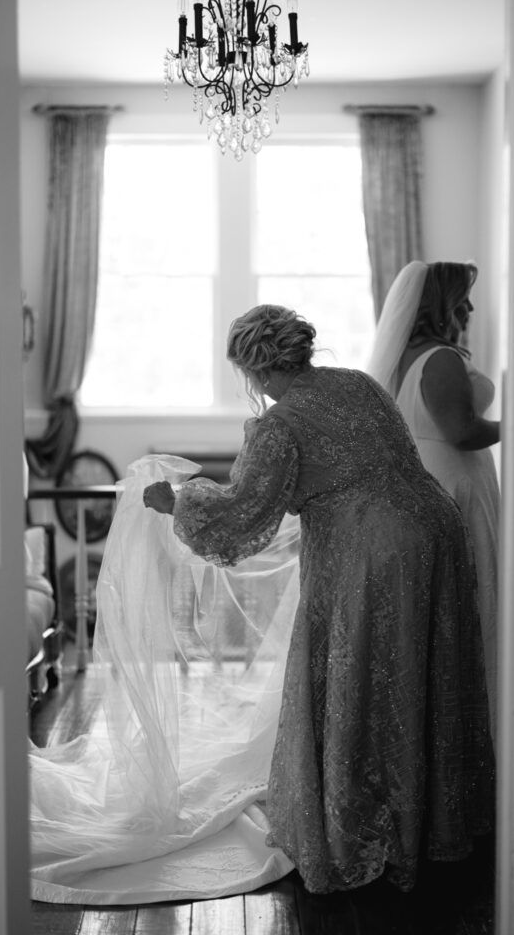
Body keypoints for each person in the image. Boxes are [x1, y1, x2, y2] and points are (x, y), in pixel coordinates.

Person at [143, 303, 494, 896]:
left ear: (252, 370)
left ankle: (369, 826)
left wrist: (176, 500)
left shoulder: (279, 425)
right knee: (425, 669)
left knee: (365, 675)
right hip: (436, 526)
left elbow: (242, 512)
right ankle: (433, 824)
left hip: (371, 550)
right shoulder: (357, 383)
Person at [367, 260, 500, 739]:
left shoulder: (409, 355)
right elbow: (462, 432)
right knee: (470, 594)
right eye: (461, 298)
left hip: (434, 478)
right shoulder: (440, 358)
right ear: (439, 303)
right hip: (452, 483)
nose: (467, 307)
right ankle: (465, 724)